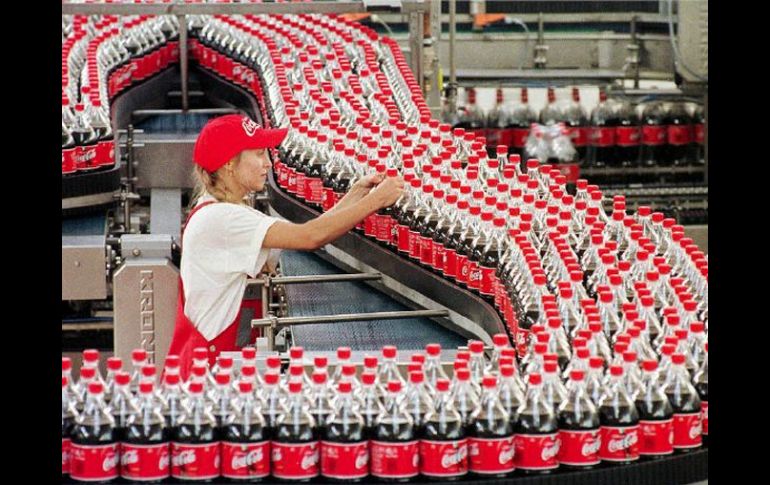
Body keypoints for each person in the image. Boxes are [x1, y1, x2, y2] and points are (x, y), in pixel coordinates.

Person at [166, 114, 404, 378]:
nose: (268, 163)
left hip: (216, 366)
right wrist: (376, 201)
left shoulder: (224, 209)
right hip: (205, 377)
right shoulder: (223, 219)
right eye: (259, 154)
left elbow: (312, 229)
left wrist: (356, 194)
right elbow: (310, 237)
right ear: (229, 163)